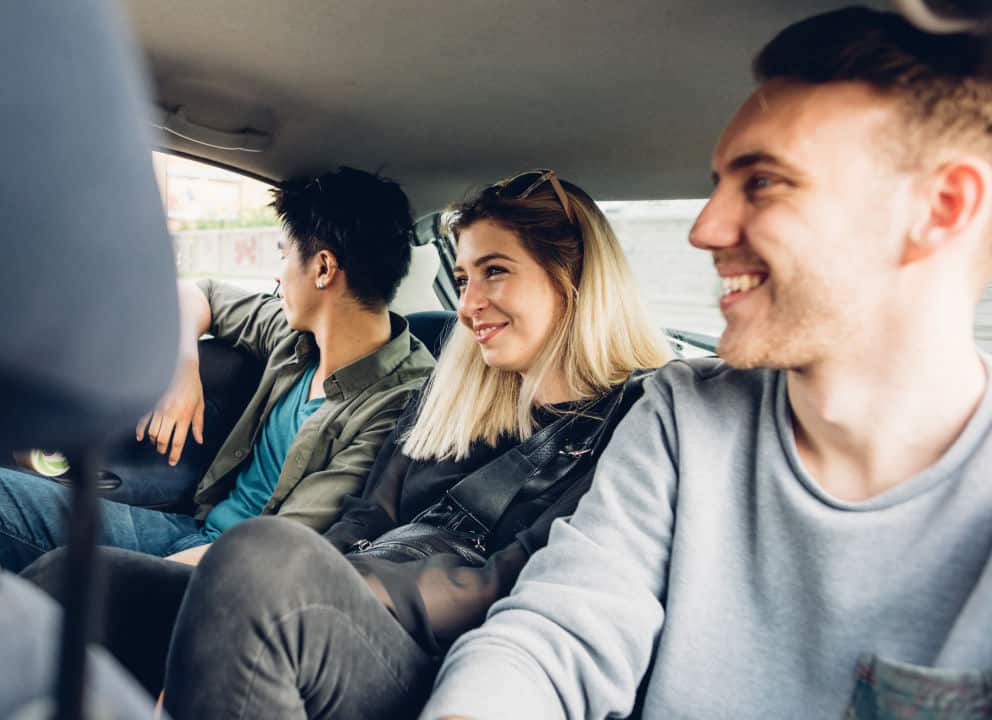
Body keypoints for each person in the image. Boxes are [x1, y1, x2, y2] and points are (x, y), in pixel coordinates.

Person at [423, 8, 992, 719]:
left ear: (940, 208)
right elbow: (556, 629)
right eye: (718, 183)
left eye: (764, 183)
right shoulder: (683, 416)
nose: (705, 229)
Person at [22, 170, 671, 719]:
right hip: (355, 605)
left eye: (494, 273)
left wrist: (326, 583)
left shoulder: (632, 424)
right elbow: (368, 516)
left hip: (444, 658)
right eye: (464, 277)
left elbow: (507, 578)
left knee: (262, 560)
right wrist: (306, 575)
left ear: (572, 276)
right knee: (79, 579)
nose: (469, 304)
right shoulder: (458, 396)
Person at [0, 166, 436, 571]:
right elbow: (199, 291)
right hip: (191, 528)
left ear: (323, 268)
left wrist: (132, 578)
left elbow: (285, 545)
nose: (277, 274)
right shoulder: (296, 335)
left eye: (282, 253)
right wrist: (182, 366)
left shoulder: (397, 402)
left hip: (228, 575)